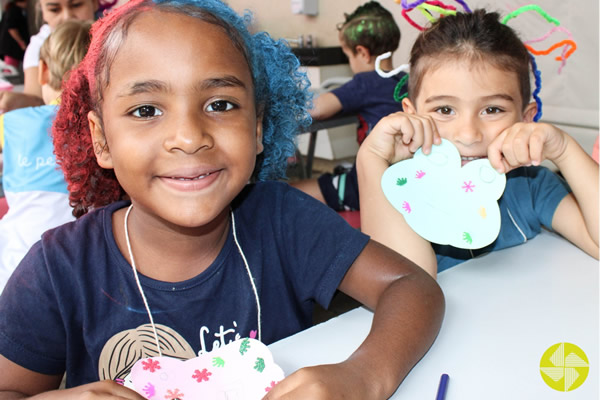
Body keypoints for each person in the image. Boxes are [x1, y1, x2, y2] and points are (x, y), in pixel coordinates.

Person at [0, 0, 444, 398]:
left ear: (256, 129)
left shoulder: (283, 219)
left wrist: (364, 376)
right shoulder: (58, 270)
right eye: (146, 110)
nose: (190, 138)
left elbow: (410, 287)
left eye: (220, 104)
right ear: (102, 141)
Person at [357, 9, 599, 278]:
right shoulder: (406, 188)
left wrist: (564, 149)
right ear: (411, 116)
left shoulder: (531, 184)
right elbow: (409, 283)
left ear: (526, 118)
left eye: (492, 110)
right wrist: (371, 158)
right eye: (445, 110)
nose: (469, 135)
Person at [0, 19, 91, 292]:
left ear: (42, 71)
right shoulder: (103, 125)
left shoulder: (12, 123)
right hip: (79, 272)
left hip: (12, 268)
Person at [291, 1, 406, 211]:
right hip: (401, 179)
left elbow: (315, 109)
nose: (350, 63)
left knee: (287, 191)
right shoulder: (405, 80)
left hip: (368, 185)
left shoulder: (365, 83)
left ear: (362, 52)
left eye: (348, 56)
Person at [0, 0, 97, 111]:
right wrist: (17, 101)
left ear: (94, 3)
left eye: (76, 5)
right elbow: (36, 98)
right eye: (54, 9)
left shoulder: (113, 39)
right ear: (43, 11)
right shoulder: (38, 46)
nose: (67, 16)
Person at [0, 0, 29, 69]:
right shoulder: (14, 10)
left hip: (10, 48)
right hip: (11, 49)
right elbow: (12, 29)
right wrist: (22, 43)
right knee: (11, 72)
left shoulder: (12, 9)